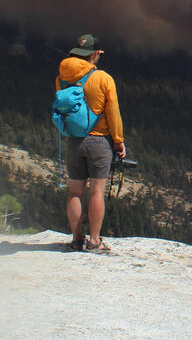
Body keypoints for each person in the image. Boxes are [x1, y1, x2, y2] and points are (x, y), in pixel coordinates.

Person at [56, 33, 125, 253]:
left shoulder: (61, 78)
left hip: (74, 141)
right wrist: (118, 141)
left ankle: (76, 240)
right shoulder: (103, 78)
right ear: (96, 54)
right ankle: (94, 241)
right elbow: (113, 112)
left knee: (75, 192)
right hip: (99, 141)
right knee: (96, 191)